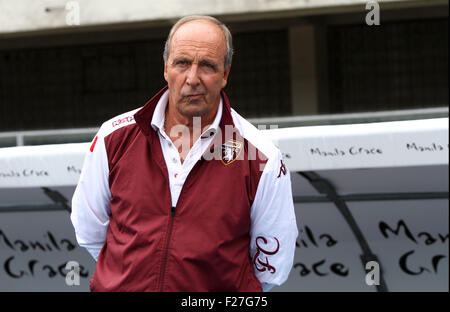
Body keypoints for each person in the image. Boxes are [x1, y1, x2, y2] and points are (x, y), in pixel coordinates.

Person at [71, 15, 298, 292]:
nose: (192, 78)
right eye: (182, 63)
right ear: (166, 68)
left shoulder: (261, 157)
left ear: (225, 74)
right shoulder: (113, 137)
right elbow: (90, 232)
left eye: (207, 66)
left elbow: (272, 265)